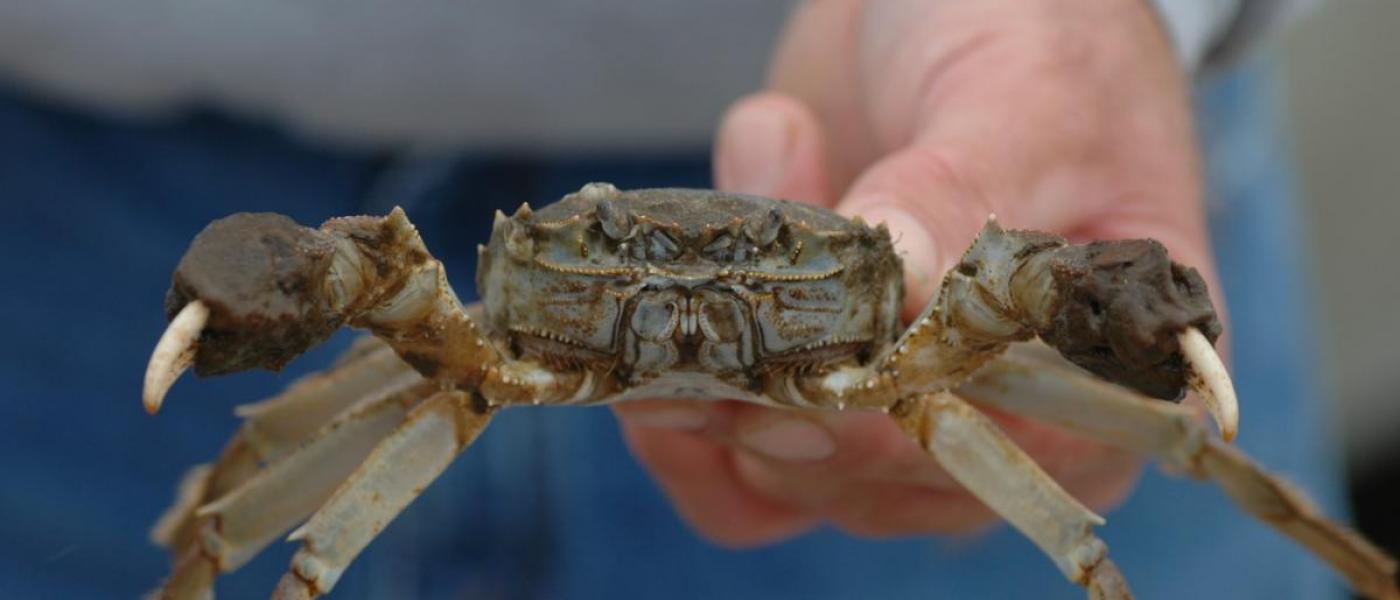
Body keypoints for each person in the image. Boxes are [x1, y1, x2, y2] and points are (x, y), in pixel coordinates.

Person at [0, 0, 1345, 598]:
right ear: (529, 254)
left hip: (1006, 112)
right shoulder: (451, 335)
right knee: (267, 532)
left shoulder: (939, 318)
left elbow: (1055, 318)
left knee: (1150, 481)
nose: (687, 314)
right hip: (70, 185)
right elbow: (331, 339)